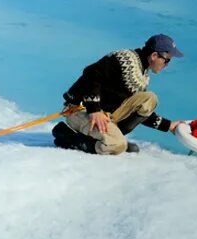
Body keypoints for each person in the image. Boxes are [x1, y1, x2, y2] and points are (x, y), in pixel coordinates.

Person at [52, 33, 185, 155]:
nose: (167, 65)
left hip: (105, 114)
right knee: (117, 146)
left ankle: (112, 137)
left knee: (150, 99)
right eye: (167, 60)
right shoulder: (124, 59)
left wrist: (169, 126)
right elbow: (91, 73)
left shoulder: (143, 74)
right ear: (154, 56)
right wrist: (95, 110)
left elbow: (136, 111)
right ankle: (69, 137)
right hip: (80, 111)